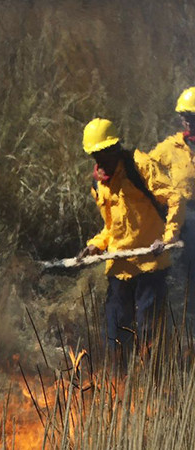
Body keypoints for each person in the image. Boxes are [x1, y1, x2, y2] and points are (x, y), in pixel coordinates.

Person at [77, 118, 185, 362]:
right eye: (94, 155)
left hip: (151, 265)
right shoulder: (98, 183)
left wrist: (167, 239)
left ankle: (153, 386)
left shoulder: (140, 167)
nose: (99, 161)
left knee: (149, 333)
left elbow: (175, 198)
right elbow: (110, 228)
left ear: (115, 149)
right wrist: (96, 245)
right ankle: (120, 385)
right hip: (120, 267)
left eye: (103, 154)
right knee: (115, 334)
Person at [149, 87, 195, 303]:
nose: (187, 121)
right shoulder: (172, 147)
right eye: (184, 116)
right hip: (183, 212)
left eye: (191, 116)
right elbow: (145, 168)